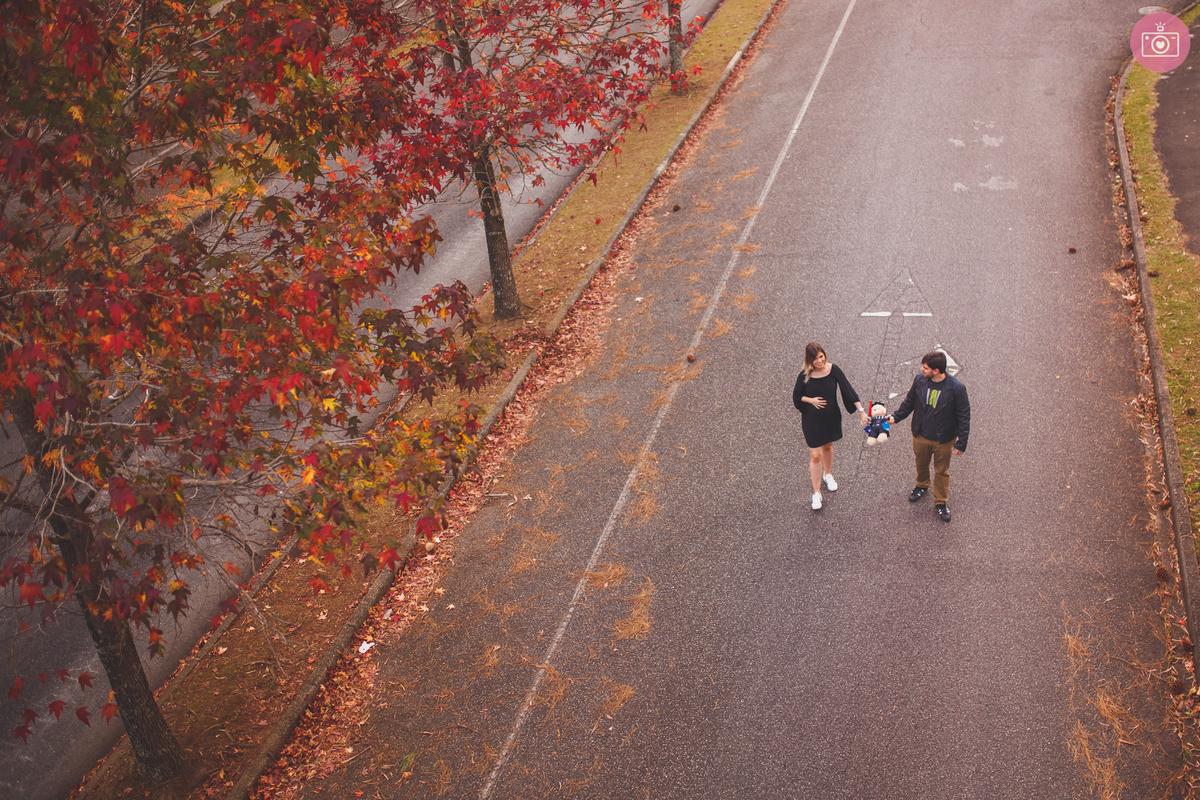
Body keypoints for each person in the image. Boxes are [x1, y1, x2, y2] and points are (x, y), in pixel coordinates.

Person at [888, 351, 970, 523]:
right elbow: (910, 401)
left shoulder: (956, 388)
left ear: (936, 370)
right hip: (921, 434)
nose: (921, 369)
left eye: (925, 367)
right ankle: (922, 485)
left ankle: (941, 502)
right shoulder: (920, 380)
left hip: (944, 439)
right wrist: (896, 417)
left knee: (941, 471)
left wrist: (962, 442)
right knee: (921, 462)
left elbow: (963, 415)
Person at [792, 343, 868, 510]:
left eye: (821, 356)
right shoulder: (805, 375)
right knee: (815, 456)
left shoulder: (833, 370)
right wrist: (811, 400)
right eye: (815, 358)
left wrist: (861, 411)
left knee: (827, 446)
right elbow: (797, 397)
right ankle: (816, 493)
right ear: (809, 360)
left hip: (831, 417)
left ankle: (828, 475)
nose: (819, 361)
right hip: (811, 420)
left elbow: (848, 390)